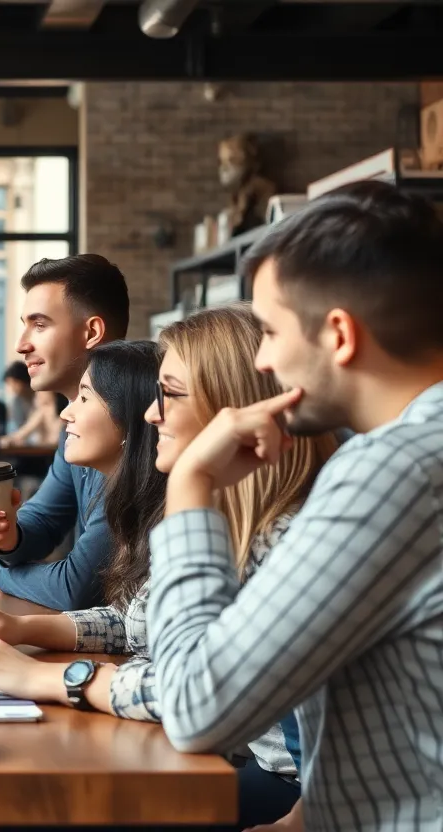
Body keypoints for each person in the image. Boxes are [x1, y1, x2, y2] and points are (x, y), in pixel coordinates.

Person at [0, 307, 336, 830]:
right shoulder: (231, 515)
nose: (154, 415)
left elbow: (186, 696)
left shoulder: (276, 536)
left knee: (5, 802)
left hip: (284, 784)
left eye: (169, 394)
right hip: (256, 771)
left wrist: (48, 675)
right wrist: (18, 627)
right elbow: (139, 618)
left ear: (231, 410)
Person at [150, 182, 443, 832]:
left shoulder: (394, 470)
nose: (262, 359)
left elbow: (197, 709)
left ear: (338, 334)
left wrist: (192, 484)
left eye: (271, 330)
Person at [0, 254, 130, 610]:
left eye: (39, 325)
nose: (21, 345)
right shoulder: (75, 424)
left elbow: (80, 588)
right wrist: (7, 535)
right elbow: (44, 517)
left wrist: (0, 573)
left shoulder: (131, 428)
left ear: (92, 333)